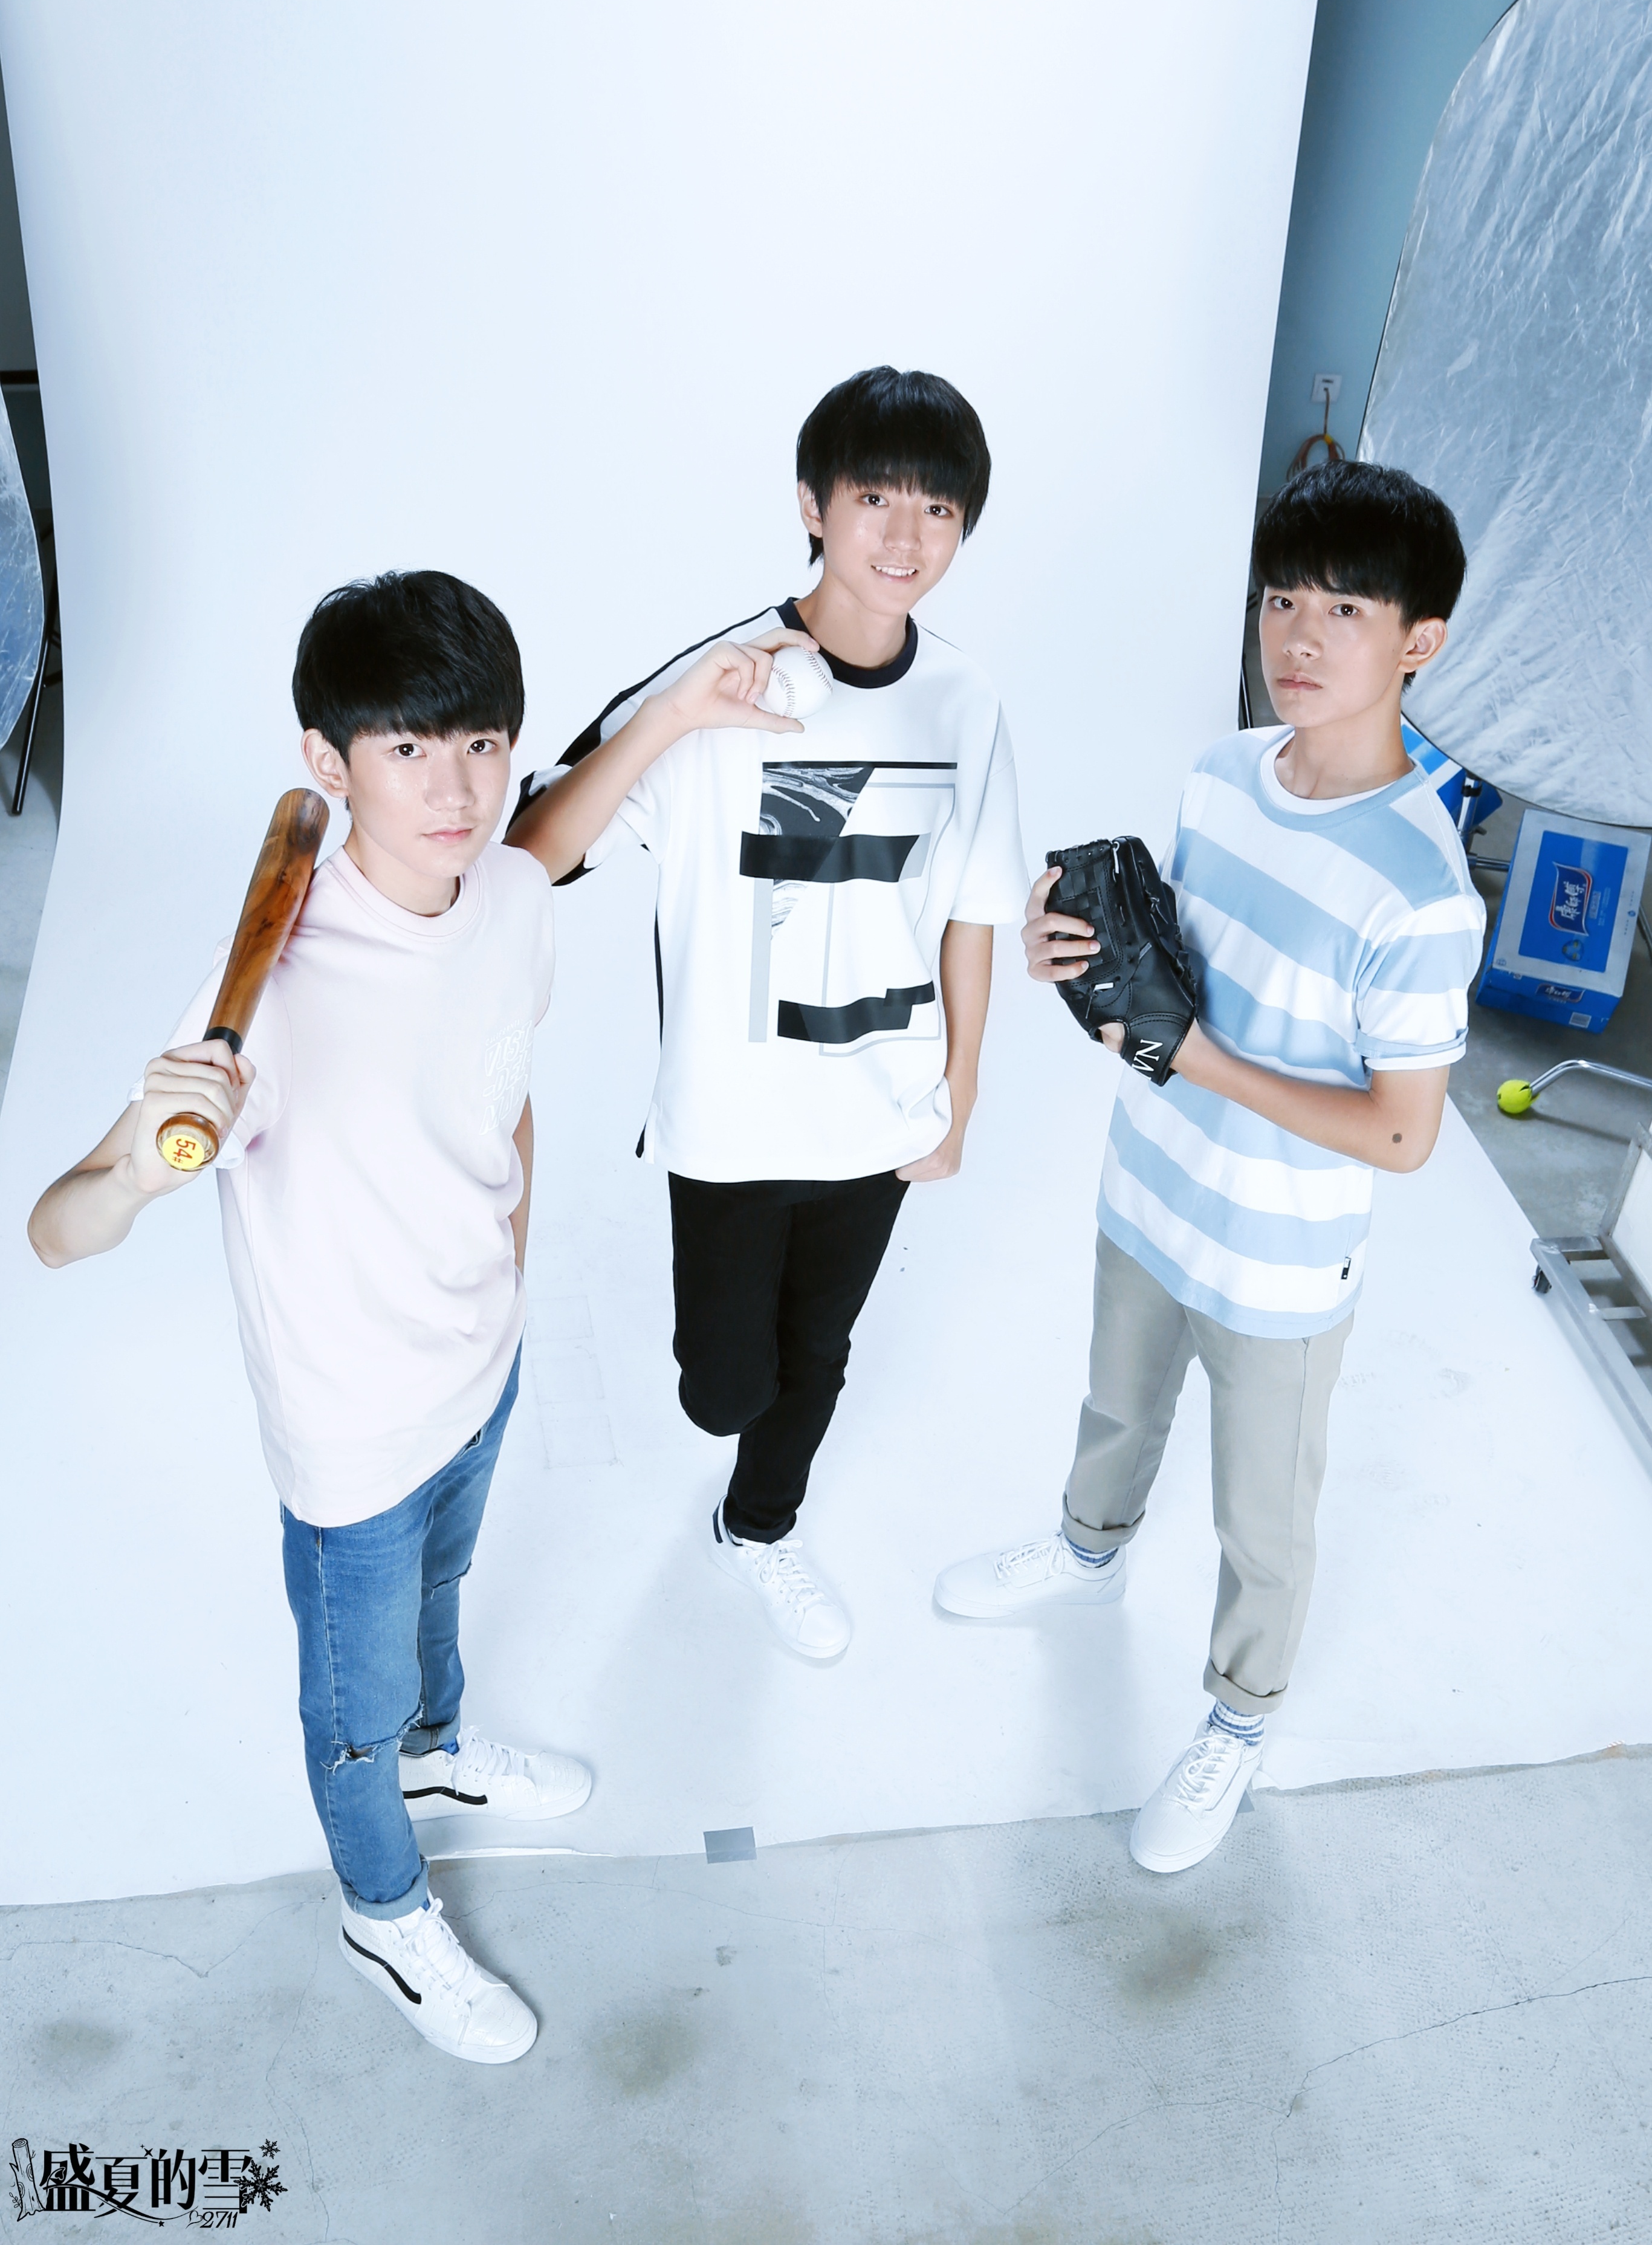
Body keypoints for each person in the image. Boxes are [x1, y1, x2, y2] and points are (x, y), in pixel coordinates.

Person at [27, 569, 794, 2063]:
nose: (453, 789)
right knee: (351, 1706)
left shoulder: (504, 895)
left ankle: (441, 1756)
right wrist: (137, 1168)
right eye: (405, 748)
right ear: (327, 761)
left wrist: (676, 713)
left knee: (446, 1598)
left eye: (480, 743)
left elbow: (511, 1034)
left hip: (479, 1364)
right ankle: (381, 1904)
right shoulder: (266, 1003)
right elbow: (55, 1232)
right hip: (351, 1432)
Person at [935, 461, 1486, 1873]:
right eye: (1279, 599)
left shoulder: (1420, 886)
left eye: (1343, 609)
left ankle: (1238, 1715)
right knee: (1114, 1402)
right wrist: (1082, 956)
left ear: (1416, 641)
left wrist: (1195, 1057)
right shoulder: (1222, 772)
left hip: (1279, 1256)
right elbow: (1185, 971)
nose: (1296, 636)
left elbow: (1404, 1132)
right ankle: (1086, 1552)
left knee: (1262, 1517)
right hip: (1150, 1184)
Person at [508, 366, 1027, 1661]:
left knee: (821, 1350)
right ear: (811, 504)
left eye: (938, 510)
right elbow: (535, 850)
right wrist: (676, 717)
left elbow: (971, 909)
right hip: (733, 1122)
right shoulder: (722, 677)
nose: (905, 537)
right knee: (724, 1387)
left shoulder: (965, 700)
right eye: (874, 499)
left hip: (882, 1105)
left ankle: (759, 1526)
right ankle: (737, 1454)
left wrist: (959, 1092)